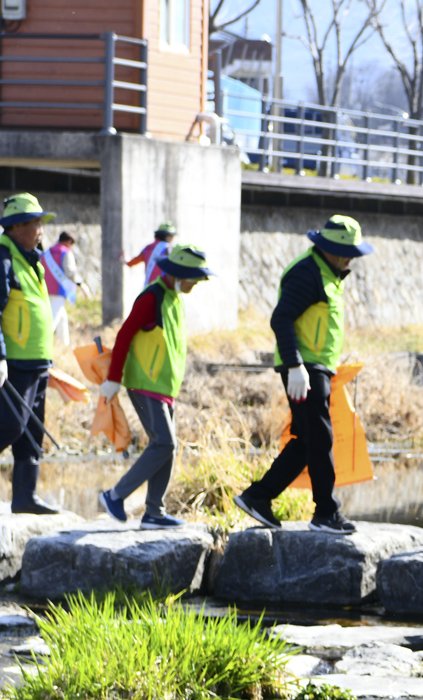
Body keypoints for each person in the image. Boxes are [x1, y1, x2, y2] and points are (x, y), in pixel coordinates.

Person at [233, 215, 373, 535]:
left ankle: (258, 497)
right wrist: (296, 366)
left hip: (315, 366)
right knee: (320, 438)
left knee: (307, 439)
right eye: (348, 251)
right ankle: (326, 512)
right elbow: (281, 319)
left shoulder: (327, 273)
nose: (352, 258)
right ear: (332, 249)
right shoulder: (307, 273)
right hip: (304, 368)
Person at [95, 244, 213, 527]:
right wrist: (114, 378)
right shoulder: (152, 297)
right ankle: (115, 495)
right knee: (164, 443)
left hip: (164, 387)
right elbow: (123, 336)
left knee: (167, 446)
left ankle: (154, 513)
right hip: (144, 384)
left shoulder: (174, 298)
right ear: (179, 273)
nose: (196, 283)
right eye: (193, 277)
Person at [0, 194, 64, 514]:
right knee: (10, 424)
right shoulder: (4, 259)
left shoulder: (31, 259)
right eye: (36, 223)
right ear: (17, 226)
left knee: (31, 430)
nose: (41, 229)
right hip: (15, 360)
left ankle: (25, 497)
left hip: (38, 360)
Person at [43, 230, 79, 352]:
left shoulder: (47, 252)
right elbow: (70, 272)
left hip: (45, 289)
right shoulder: (66, 252)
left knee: (61, 317)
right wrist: (77, 284)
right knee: (52, 320)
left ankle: (65, 346)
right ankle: (44, 345)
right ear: (69, 241)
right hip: (59, 290)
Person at [125, 221, 175, 289]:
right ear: (167, 236)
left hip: (148, 288)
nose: (172, 238)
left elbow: (132, 262)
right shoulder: (167, 248)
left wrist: (125, 261)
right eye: (171, 236)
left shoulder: (147, 248)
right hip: (162, 288)